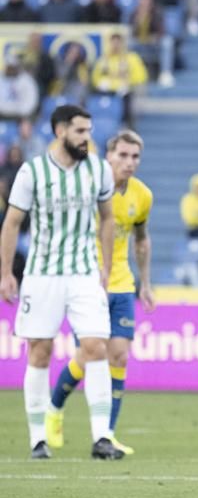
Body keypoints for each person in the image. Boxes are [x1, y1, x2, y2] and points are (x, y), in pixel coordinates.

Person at [0, 105, 123, 460]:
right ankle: (38, 439)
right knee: (40, 350)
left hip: (84, 273)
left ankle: (102, 437)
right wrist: (6, 272)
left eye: (89, 130)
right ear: (60, 131)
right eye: (80, 131)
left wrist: (106, 265)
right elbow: (11, 223)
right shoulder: (33, 172)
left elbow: (107, 218)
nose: (87, 138)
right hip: (42, 275)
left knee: (96, 345)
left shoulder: (98, 170)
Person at [47, 130, 154, 455]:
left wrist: (145, 283)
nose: (129, 162)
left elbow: (141, 239)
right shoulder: (87, 187)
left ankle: (105, 435)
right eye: (122, 155)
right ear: (108, 156)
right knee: (91, 352)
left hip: (121, 283)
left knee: (118, 355)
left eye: (135, 156)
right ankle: (53, 409)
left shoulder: (142, 195)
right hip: (86, 281)